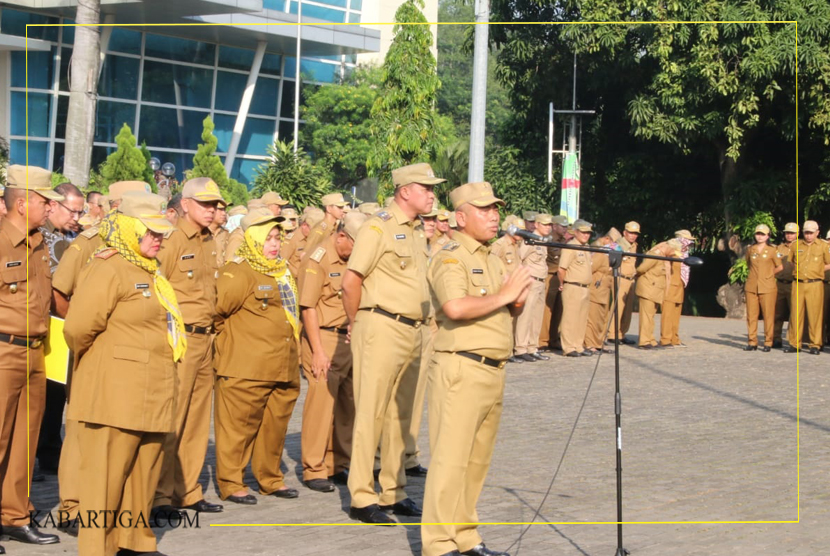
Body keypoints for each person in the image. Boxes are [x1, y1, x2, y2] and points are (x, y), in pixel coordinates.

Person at [64, 191, 183, 556]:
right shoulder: (109, 265)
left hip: (151, 394)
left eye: (161, 233)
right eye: (151, 232)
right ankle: (98, 549)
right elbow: (77, 329)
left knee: (142, 476)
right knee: (105, 482)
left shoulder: (149, 268)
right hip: (115, 397)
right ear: (131, 228)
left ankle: (134, 543)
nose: (158, 239)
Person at [422, 181, 531, 556]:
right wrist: (505, 295)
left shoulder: (492, 257)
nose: (494, 215)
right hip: (461, 369)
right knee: (450, 461)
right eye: (484, 210)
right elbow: (454, 307)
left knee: (476, 462)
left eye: (495, 208)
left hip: (492, 369)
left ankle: (465, 537)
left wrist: (517, 298)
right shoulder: (449, 256)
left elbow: (502, 306)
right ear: (461, 216)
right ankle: (438, 544)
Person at [342, 162, 443, 524]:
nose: (432, 194)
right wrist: (356, 323)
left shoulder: (417, 231)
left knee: (403, 416)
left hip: (414, 329)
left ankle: (393, 491)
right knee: (371, 411)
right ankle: (361, 496)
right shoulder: (378, 226)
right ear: (404, 191)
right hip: (381, 325)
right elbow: (351, 279)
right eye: (426, 188)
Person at [213, 210, 301, 504]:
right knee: (238, 429)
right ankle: (232, 482)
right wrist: (233, 346)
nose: (274, 244)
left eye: (277, 238)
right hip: (246, 367)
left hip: (282, 364)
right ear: (252, 240)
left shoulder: (282, 270)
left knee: (274, 428)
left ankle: (270, 478)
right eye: (268, 239)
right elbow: (217, 312)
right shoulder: (238, 271)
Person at [153, 177, 224, 517]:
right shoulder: (172, 240)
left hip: (206, 338)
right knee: (173, 420)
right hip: (180, 339)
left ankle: (188, 490)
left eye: (214, 205)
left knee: (197, 421)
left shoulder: (210, 240)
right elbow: (156, 291)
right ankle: (160, 495)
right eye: (205, 204)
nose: (212, 211)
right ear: (185, 205)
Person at [0, 165, 63, 550]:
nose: (50, 207)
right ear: (23, 203)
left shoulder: (40, 241)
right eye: (45, 201)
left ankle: (14, 515)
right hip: (3, 350)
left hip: (36, 350)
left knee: (25, 439)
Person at [298, 212, 367, 492]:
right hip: (324, 337)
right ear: (341, 236)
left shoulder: (354, 259)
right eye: (355, 244)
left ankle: (336, 463)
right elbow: (308, 307)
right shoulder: (319, 258)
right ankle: (314, 468)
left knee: (347, 405)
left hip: (349, 339)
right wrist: (316, 351)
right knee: (320, 405)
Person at [36, 182, 85, 475]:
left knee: (57, 396)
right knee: (45, 394)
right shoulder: (39, 238)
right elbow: (55, 291)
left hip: (68, 324)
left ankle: (51, 451)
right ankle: (44, 452)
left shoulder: (74, 237)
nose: (76, 218)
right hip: (51, 324)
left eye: (81, 212)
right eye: (72, 211)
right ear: (53, 205)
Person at [785, 220, 830, 354]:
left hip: (815, 283)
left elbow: (829, 263)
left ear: (817, 232)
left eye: (811, 233)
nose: (809, 235)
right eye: (806, 233)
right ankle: (794, 344)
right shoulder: (795, 245)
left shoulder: (823, 246)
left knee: (815, 315)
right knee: (795, 314)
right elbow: (792, 262)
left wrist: (817, 270)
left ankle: (815, 344)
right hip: (798, 283)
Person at [513, 213, 552, 361]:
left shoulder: (542, 241)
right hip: (531, 280)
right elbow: (519, 259)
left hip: (541, 281)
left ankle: (532, 347)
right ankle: (521, 348)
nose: (548, 227)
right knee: (526, 315)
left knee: (537, 316)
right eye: (545, 224)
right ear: (536, 225)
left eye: (549, 225)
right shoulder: (529, 241)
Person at [558, 219, 595, 357]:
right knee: (570, 317)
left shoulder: (585, 247)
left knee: (581, 318)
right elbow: (561, 269)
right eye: (583, 233)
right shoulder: (571, 246)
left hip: (585, 287)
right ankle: (568, 347)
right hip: (572, 285)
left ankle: (578, 345)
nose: (586, 236)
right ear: (576, 232)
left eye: (588, 233)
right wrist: (563, 283)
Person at [743, 224, 783, 351]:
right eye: (758, 234)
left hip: (767, 286)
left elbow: (779, 267)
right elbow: (749, 264)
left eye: (763, 234)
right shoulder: (751, 249)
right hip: (752, 285)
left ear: (768, 236)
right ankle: (752, 341)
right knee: (751, 315)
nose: (760, 236)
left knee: (768, 315)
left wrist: (769, 274)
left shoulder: (772, 250)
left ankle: (768, 342)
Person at [636, 240, 682, 349]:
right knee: (646, 317)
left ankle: (650, 339)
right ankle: (644, 341)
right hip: (648, 288)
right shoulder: (655, 254)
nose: (673, 255)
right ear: (669, 248)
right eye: (673, 252)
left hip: (655, 290)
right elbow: (642, 268)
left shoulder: (664, 256)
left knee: (651, 317)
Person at [660, 230, 695, 347]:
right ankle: (665, 339)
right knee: (667, 313)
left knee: (676, 313)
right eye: (687, 240)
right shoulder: (670, 252)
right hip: (670, 286)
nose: (689, 244)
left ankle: (674, 338)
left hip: (680, 285)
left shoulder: (684, 254)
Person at [539, 215, 568, 351]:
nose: (565, 228)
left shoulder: (564, 241)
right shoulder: (548, 240)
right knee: (547, 310)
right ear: (554, 226)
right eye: (562, 226)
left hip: (560, 277)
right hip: (550, 276)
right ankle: (543, 340)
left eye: (566, 226)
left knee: (558, 309)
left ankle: (554, 339)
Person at [585, 232, 614, 353]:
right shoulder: (599, 254)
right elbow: (590, 269)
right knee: (593, 318)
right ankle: (589, 343)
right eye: (612, 242)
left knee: (601, 318)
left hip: (604, 291)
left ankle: (599, 342)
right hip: (596, 290)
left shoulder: (607, 254)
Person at [612, 222, 640, 344]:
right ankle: (612, 334)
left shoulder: (634, 246)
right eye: (631, 233)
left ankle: (622, 333)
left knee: (628, 309)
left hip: (631, 279)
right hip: (620, 277)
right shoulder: (617, 245)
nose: (633, 236)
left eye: (635, 233)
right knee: (618, 307)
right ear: (624, 232)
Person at [773, 222, 798, 348]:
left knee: (795, 314)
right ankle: (776, 338)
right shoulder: (779, 248)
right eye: (787, 233)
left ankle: (793, 340)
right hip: (779, 284)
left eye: (792, 233)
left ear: (797, 234)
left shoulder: (800, 247)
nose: (789, 235)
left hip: (794, 283)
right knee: (777, 313)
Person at [283, 207, 325, 278]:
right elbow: (282, 261)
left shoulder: (318, 237)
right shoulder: (292, 239)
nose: (316, 233)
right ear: (304, 225)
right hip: (295, 280)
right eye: (313, 230)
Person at [210, 200, 229, 267]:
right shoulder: (201, 233)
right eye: (220, 209)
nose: (224, 213)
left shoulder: (225, 233)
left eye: (224, 210)